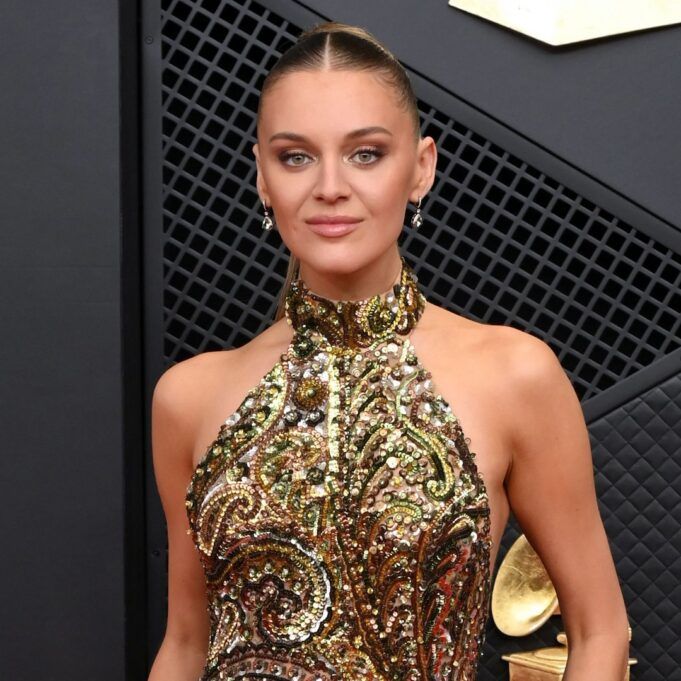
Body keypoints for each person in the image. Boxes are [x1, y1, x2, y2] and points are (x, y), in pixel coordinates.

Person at [148, 21, 630, 681]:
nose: (329, 186)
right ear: (261, 175)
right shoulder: (189, 396)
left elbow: (600, 631)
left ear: (420, 167)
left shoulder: (514, 374)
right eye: (295, 157)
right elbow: (183, 644)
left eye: (366, 154)